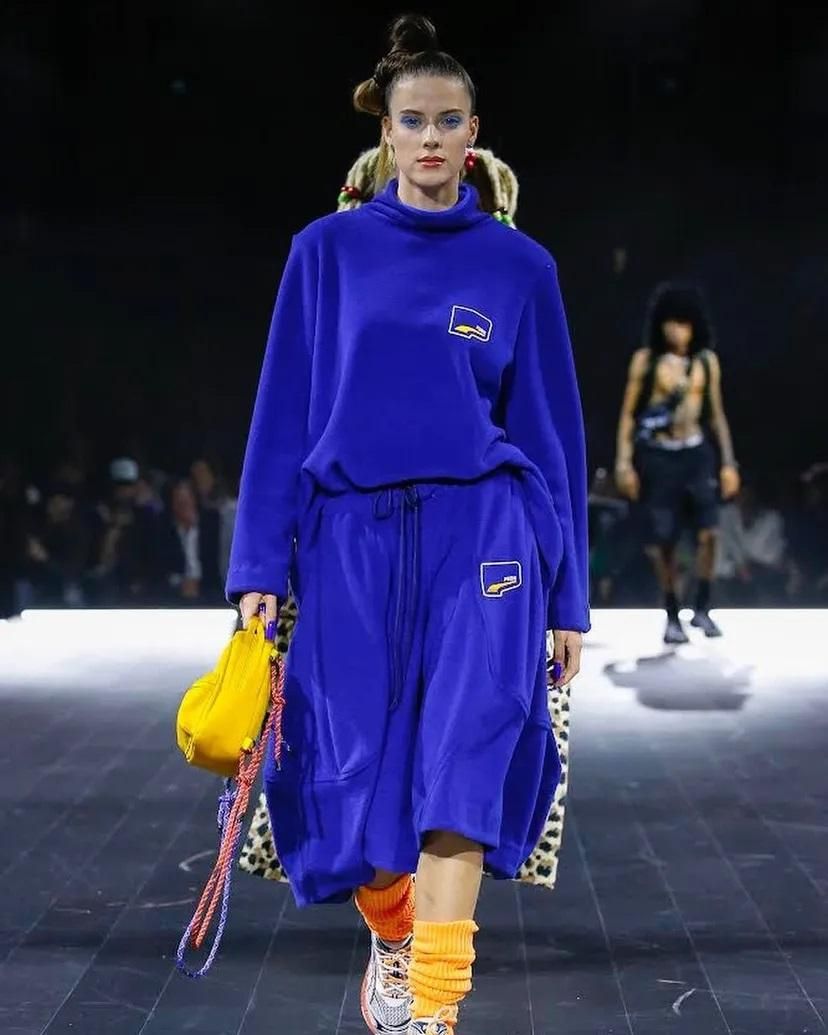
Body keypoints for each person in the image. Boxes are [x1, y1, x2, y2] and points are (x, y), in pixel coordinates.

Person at [225, 14, 589, 1034]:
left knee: (465, 757)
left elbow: (551, 435)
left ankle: (434, 1006)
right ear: (385, 133)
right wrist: (259, 567)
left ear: (475, 135)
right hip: (350, 539)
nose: (432, 138)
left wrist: (569, 597)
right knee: (357, 778)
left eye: (450, 121)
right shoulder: (325, 253)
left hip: (487, 536)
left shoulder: (520, 268)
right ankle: (393, 934)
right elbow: (281, 415)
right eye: (414, 121)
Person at [615, 281, 740, 644]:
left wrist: (729, 463)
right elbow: (629, 414)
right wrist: (623, 463)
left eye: (683, 323)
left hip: (696, 452)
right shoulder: (646, 361)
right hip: (658, 456)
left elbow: (716, 415)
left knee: (709, 532)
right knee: (664, 539)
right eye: (671, 322)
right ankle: (672, 612)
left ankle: (702, 605)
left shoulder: (705, 362)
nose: (676, 330)